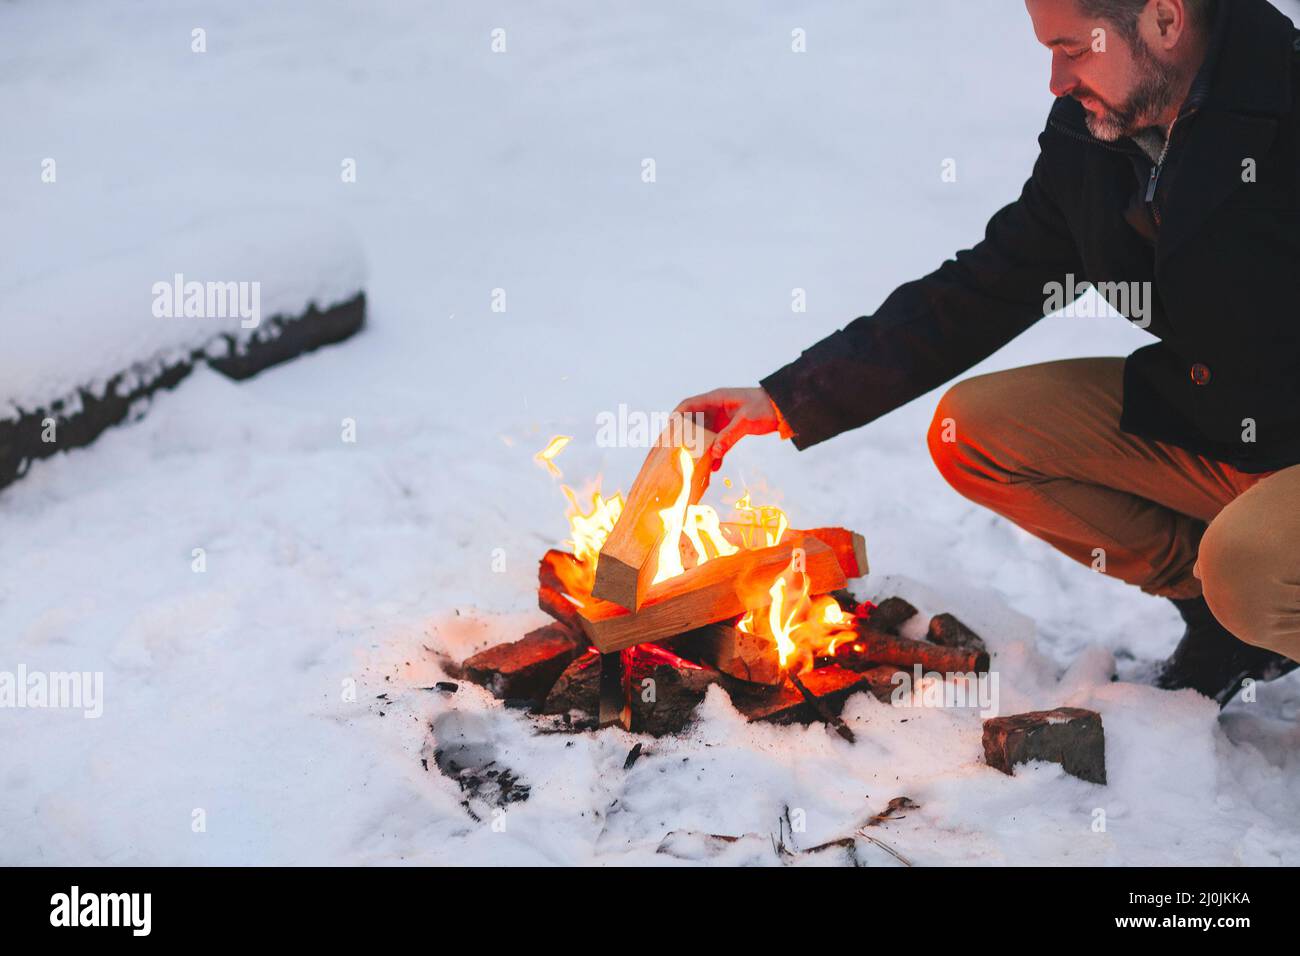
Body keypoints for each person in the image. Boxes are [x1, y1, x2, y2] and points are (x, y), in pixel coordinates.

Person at [677, 0, 1300, 707]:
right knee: (974, 431)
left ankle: (1251, 580)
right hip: (1226, 426)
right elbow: (994, 279)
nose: (1055, 78)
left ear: (1164, 19)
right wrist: (792, 397)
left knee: (1253, 563)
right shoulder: (1099, 131)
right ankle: (1226, 617)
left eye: (1073, 48)